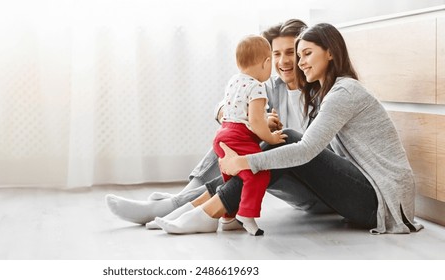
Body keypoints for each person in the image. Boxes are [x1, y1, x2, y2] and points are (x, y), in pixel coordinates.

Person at [160, 22, 424, 235]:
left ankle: (208, 210)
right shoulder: (329, 93)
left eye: (307, 54)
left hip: (381, 202)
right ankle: (204, 207)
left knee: (289, 140)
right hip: (368, 196)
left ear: (330, 52)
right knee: (278, 143)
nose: (300, 63)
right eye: (300, 56)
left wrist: (246, 161)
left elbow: (307, 150)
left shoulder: (345, 92)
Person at [105, 19, 333, 230]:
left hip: (313, 188)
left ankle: (175, 205)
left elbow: (316, 151)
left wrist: (266, 131)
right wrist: (236, 117)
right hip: (277, 172)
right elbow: (221, 106)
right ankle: (181, 200)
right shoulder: (270, 86)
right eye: (276, 54)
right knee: (233, 134)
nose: (283, 61)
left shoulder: (321, 90)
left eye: (291, 53)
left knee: (256, 142)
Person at [209, 35, 287, 236]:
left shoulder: (234, 81)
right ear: (267, 62)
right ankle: (246, 214)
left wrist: (264, 118)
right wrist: (271, 138)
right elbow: (255, 121)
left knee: (234, 178)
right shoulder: (257, 86)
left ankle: (228, 218)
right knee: (259, 173)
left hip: (223, 134)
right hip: (239, 137)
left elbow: (238, 113)